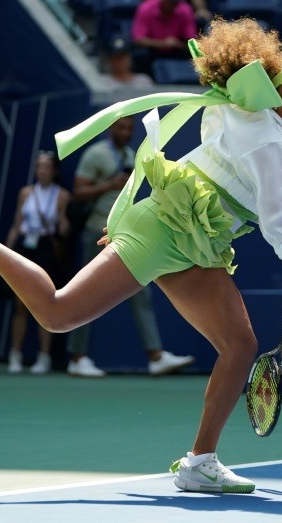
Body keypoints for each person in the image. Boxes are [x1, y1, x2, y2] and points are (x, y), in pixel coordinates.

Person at [0, 17, 282, 494]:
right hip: (168, 232)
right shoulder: (271, 141)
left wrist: (126, 215)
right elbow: (279, 225)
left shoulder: (239, 114)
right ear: (269, 90)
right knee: (58, 315)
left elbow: (193, 167)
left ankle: (200, 462)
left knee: (241, 347)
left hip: (195, 241)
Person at [67, 115, 195, 378]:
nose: (125, 132)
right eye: (121, 127)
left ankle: (155, 357)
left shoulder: (130, 154)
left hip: (123, 235)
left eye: (129, 129)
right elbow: (77, 191)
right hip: (96, 232)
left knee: (141, 292)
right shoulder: (96, 154)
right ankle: (77, 358)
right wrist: (108, 185)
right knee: (84, 293)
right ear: (112, 127)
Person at [4, 151, 72, 374]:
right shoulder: (25, 193)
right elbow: (16, 224)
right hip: (25, 247)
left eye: (46, 167)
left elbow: (64, 225)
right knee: (20, 304)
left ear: (54, 171)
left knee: (45, 303)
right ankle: (15, 355)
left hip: (46, 251)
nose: (42, 170)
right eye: (39, 166)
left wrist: (65, 225)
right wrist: (4, 253)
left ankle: (44, 358)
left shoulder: (62, 195)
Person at [131, 0, 198, 78]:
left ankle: (188, 81)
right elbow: (138, 40)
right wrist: (162, 43)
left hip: (175, 48)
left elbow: (191, 40)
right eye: (170, 2)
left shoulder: (185, 10)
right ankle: (146, 82)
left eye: (175, 3)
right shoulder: (146, 8)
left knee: (193, 53)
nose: (172, 5)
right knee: (141, 54)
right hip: (152, 48)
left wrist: (180, 44)